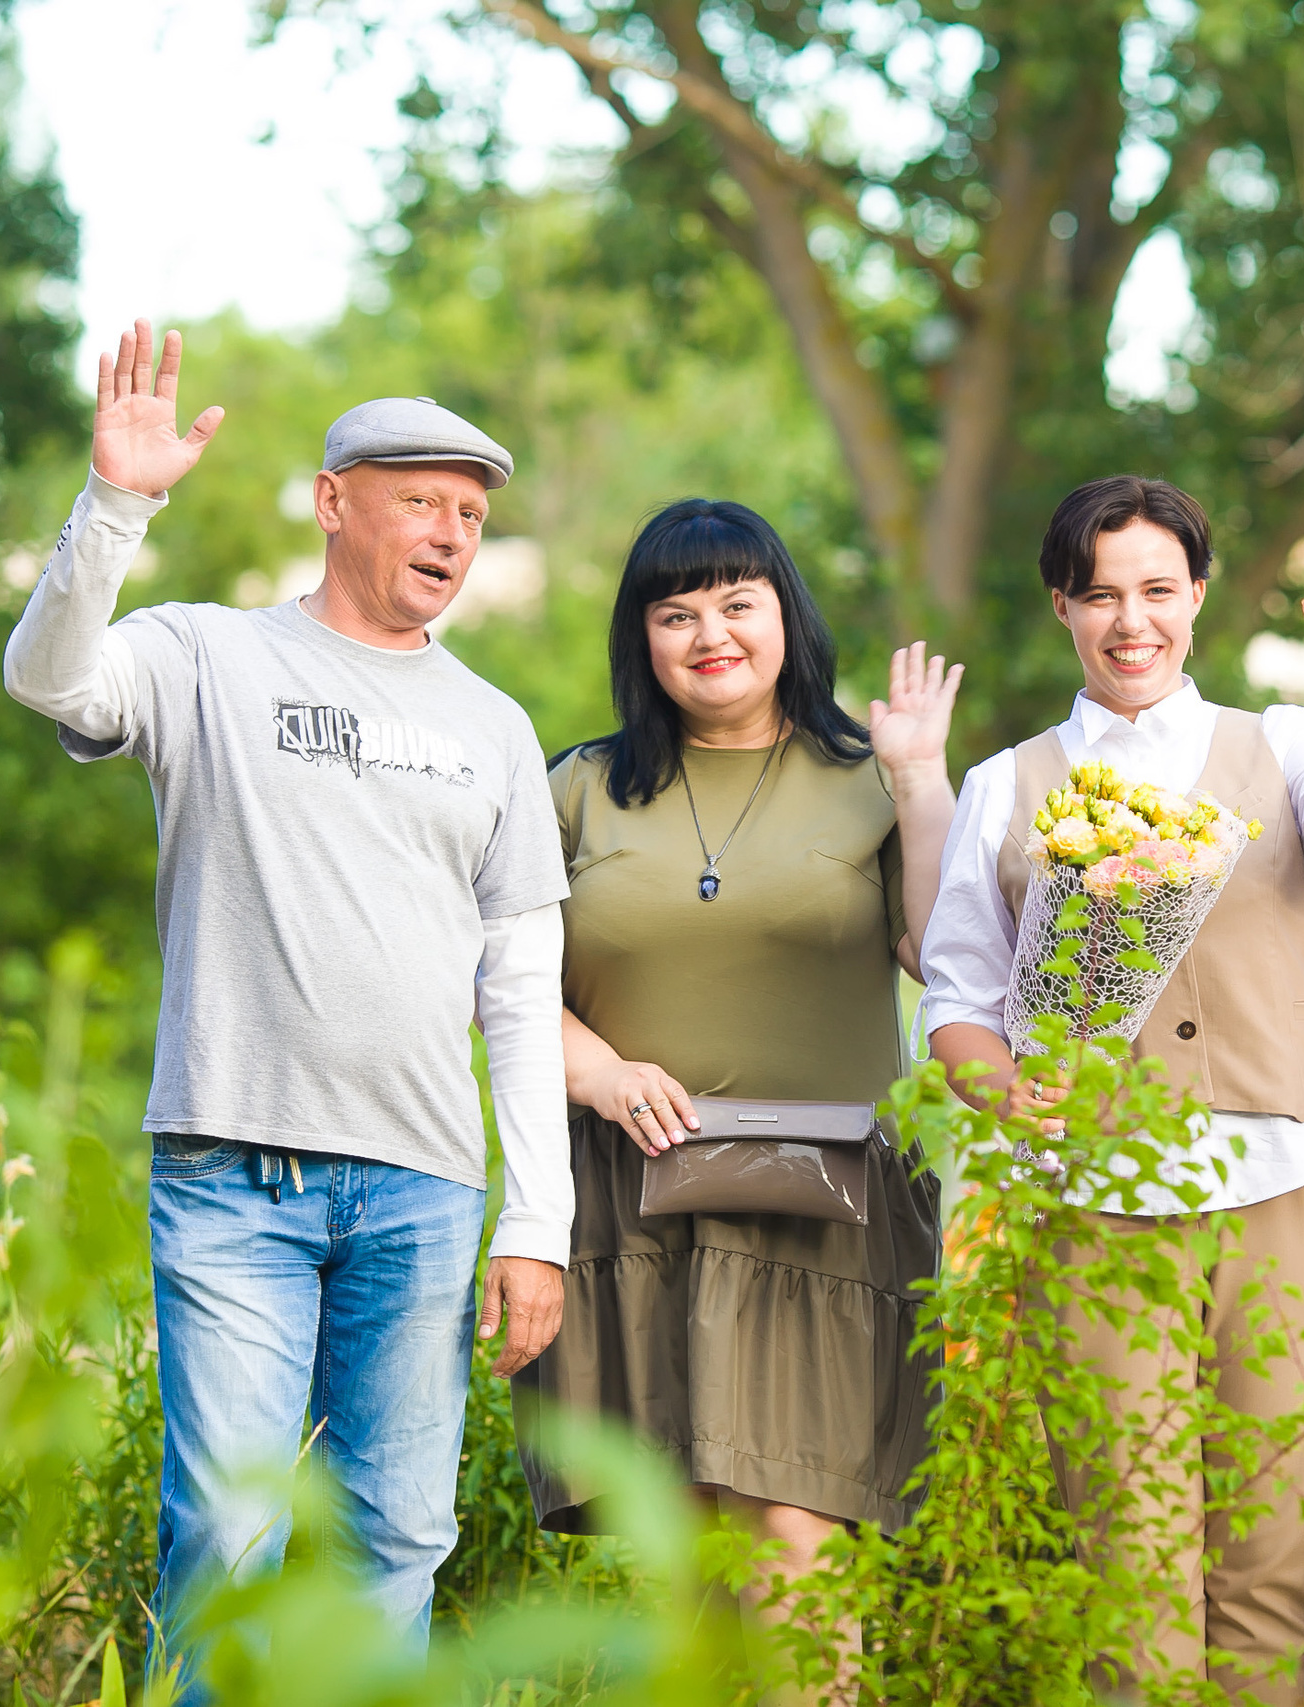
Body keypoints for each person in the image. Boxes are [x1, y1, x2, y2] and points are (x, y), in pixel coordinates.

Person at [1, 323, 573, 1685]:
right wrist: (115, 502)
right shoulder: (205, 654)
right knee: (229, 1534)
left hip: (424, 1187)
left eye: (471, 515)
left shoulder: (494, 725)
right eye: (421, 501)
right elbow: (47, 677)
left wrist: (537, 1218)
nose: (450, 534)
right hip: (233, 1173)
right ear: (332, 501)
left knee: (397, 1538)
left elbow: (520, 986)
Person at [918, 475, 1304, 1704]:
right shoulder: (1006, 783)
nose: (1130, 621)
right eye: (1099, 595)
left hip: (1291, 1189)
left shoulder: (1281, 745)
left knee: (1278, 1563)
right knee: (1129, 1575)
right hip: (1094, 1204)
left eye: (1156, 589)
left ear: (1197, 595)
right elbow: (955, 996)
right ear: (1061, 606)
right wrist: (1000, 1091)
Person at [511, 499, 956, 1657]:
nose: (710, 633)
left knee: (794, 1538)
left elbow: (942, 954)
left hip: (824, 1211)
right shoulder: (576, 787)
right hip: (634, 1198)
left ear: (784, 616)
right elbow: (496, 980)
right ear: (641, 638)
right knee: (688, 1557)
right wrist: (599, 1071)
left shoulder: (868, 778)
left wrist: (919, 779)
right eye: (676, 613)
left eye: (735, 603)